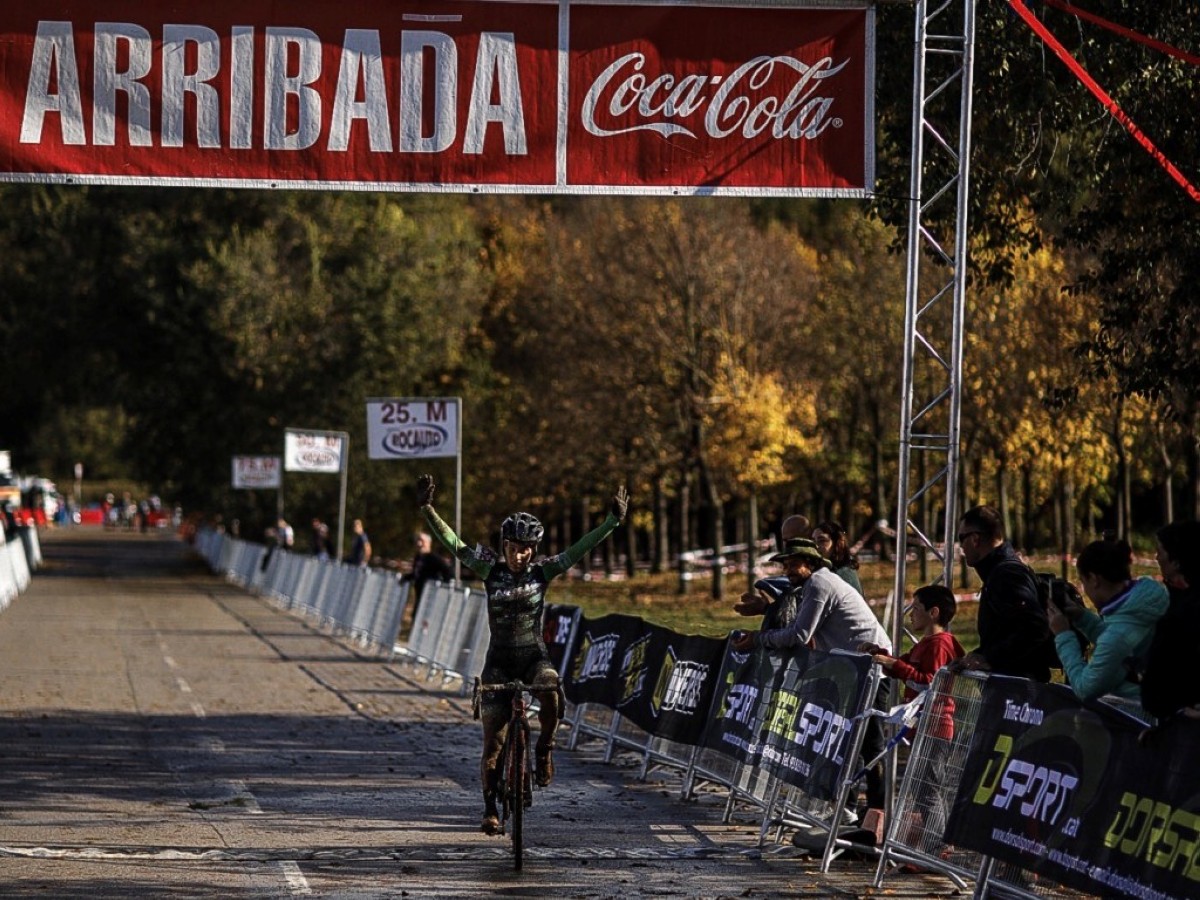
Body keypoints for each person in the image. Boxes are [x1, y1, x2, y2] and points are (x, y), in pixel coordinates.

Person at [417, 473, 628, 835]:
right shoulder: (488, 568)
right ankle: (489, 809)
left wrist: (612, 522)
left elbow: (580, 549)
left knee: (551, 690)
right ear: (504, 545)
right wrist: (428, 510)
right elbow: (454, 543)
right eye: (515, 546)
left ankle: (545, 747)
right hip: (498, 661)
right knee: (494, 743)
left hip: (533, 656)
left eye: (527, 547)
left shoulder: (543, 571)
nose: (520, 553)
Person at [731, 538, 892, 813]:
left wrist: (759, 639)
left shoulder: (820, 584)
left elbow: (798, 634)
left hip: (871, 671)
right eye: (786, 565)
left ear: (812, 564)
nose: (789, 571)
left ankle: (878, 815)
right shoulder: (812, 584)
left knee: (870, 746)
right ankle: (848, 810)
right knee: (845, 742)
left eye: (795, 565)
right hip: (852, 672)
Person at [861, 584, 964, 842]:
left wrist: (895, 664)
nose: (910, 614)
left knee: (929, 789)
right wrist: (882, 656)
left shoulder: (940, 644)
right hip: (921, 726)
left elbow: (930, 683)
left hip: (935, 726)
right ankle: (929, 844)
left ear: (934, 612)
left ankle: (936, 846)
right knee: (920, 788)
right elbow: (904, 666)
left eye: (916, 608)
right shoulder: (925, 644)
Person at [1048, 536, 1167, 703]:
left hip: (1136, 714)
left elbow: (1085, 688)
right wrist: (1083, 618)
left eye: (1083, 581)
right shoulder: (1149, 597)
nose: (1084, 589)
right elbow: (1126, 646)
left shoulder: (1118, 638)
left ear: (1094, 579)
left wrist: (1063, 635)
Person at [952, 505, 1056, 681]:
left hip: (1018, 688)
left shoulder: (1007, 575)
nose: (961, 546)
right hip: (1012, 684)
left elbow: (1035, 627)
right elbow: (1006, 632)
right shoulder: (999, 572)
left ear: (975, 539)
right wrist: (976, 656)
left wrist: (989, 658)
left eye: (962, 538)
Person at [1137, 521, 1200, 722]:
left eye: (1160, 551)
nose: (1156, 557)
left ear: (1176, 561)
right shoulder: (1178, 603)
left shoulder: (1182, 615)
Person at [405, 531, 453, 616]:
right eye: (418, 541)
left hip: (430, 595)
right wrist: (406, 577)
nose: (419, 544)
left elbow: (448, 572)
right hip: (419, 594)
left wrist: (442, 586)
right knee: (416, 616)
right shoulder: (418, 557)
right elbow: (417, 573)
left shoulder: (433, 558)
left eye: (422, 541)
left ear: (429, 543)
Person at [812, 520, 864, 597]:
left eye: (822, 540)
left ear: (837, 543)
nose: (816, 546)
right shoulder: (825, 568)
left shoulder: (843, 573)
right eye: (813, 541)